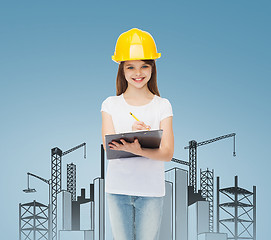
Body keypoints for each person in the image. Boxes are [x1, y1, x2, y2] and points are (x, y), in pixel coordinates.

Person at [101, 28, 174, 240]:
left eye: (144, 66)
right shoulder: (110, 104)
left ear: (152, 68)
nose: (138, 73)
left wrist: (138, 148)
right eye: (130, 67)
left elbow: (167, 153)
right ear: (122, 70)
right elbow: (109, 147)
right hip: (118, 189)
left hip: (151, 191)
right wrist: (136, 141)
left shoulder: (162, 105)